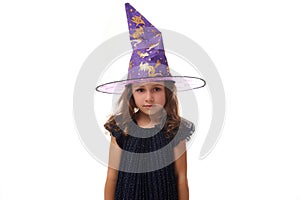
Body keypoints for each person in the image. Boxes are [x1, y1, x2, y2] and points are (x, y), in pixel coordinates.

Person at [95, 3, 206, 200]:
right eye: (140, 90)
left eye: (156, 89)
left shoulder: (175, 129)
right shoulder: (122, 128)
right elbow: (111, 178)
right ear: (131, 94)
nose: (149, 97)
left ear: (167, 91)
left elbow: (181, 177)